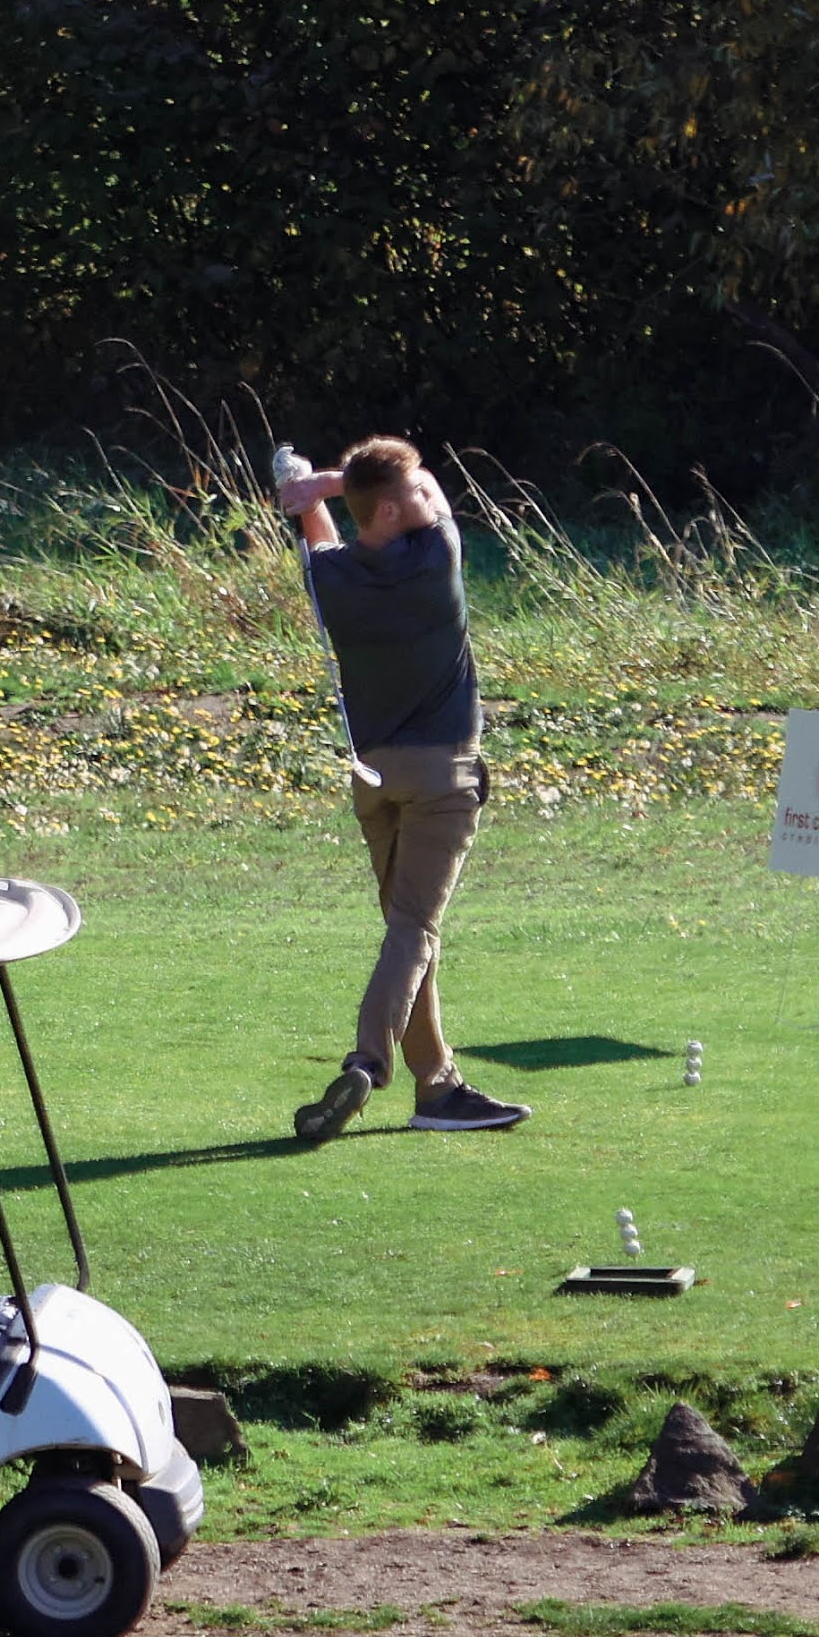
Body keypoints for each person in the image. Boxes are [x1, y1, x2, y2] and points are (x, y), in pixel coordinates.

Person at [277, 437, 529, 1144]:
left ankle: (438, 1086)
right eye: (412, 492)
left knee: (406, 933)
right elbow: (438, 496)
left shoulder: (334, 579)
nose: (428, 497)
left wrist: (309, 498)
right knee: (415, 927)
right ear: (391, 508)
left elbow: (321, 541)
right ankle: (369, 1058)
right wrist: (323, 483)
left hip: (375, 781)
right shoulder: (436, 554)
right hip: (440, 779)